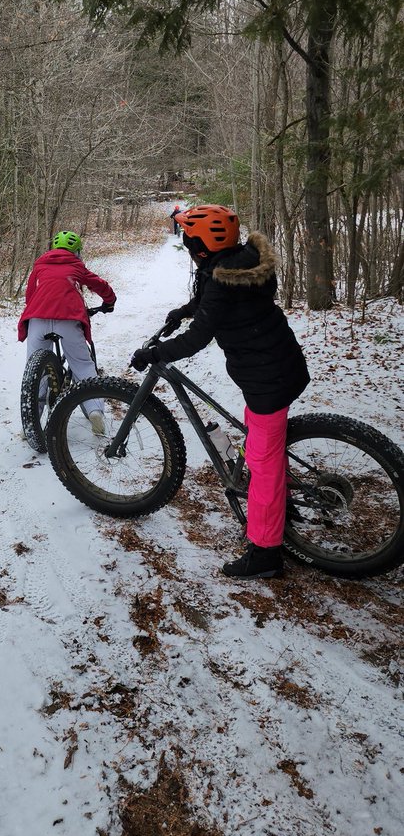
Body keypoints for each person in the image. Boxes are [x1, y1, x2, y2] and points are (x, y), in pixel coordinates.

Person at [130, 204, 309, 579]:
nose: (186, 244)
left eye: (189, 239)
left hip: (267, 378)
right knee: (266, 446)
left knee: (261, 466)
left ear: (202, 247)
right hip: (278, 366)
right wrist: (185, 309)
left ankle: (265, 553)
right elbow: (219, 299)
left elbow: (198, 338)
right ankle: (284, 504)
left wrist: (155, 353)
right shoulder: (242, 263)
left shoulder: (220, 280)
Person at [18, 231, 117, 435]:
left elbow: (30, 295)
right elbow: (99, 284)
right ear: (77, 251)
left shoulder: (39, 265)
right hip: (68, 319)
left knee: (35, 369)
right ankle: (94, 412)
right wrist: (110, 300)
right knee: (82, 365)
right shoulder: (76, 266)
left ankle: (31, 421)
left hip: (37, 319)